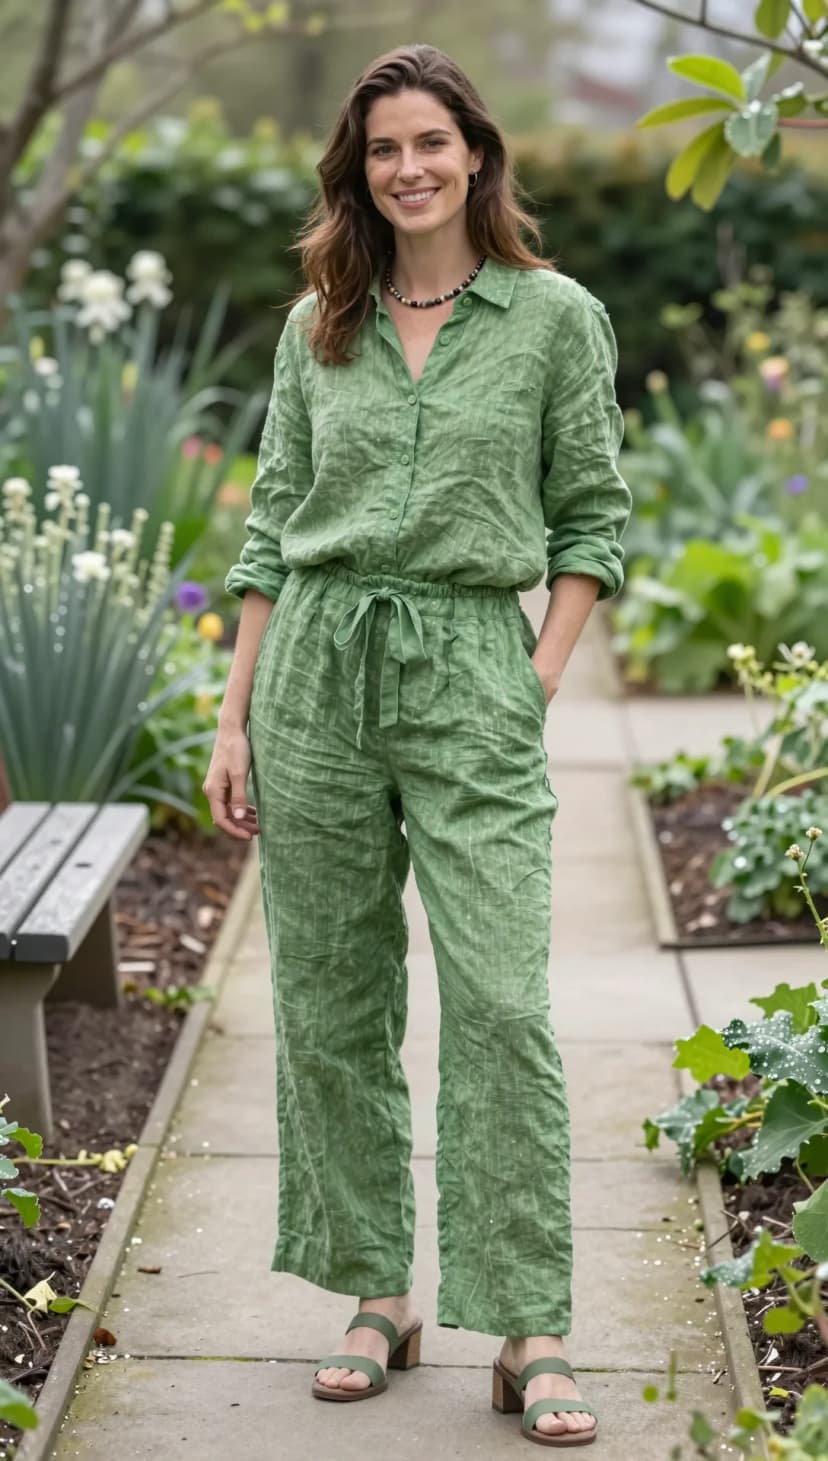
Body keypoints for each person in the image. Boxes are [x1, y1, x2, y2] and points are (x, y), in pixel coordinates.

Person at [205, 42, 631, 1449]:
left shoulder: (556, 317)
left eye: (431, 143)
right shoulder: (318, 323)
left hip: (471, 667)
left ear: (476, 154)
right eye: (384, 148)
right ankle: (377, 1293)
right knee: (331, 997)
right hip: (317, 670)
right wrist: (235, 714)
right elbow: (270, 523)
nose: (409, 169)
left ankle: (530, 1323)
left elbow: (594, 520)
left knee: (502, 998)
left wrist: (539, 674)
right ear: (359, 168)